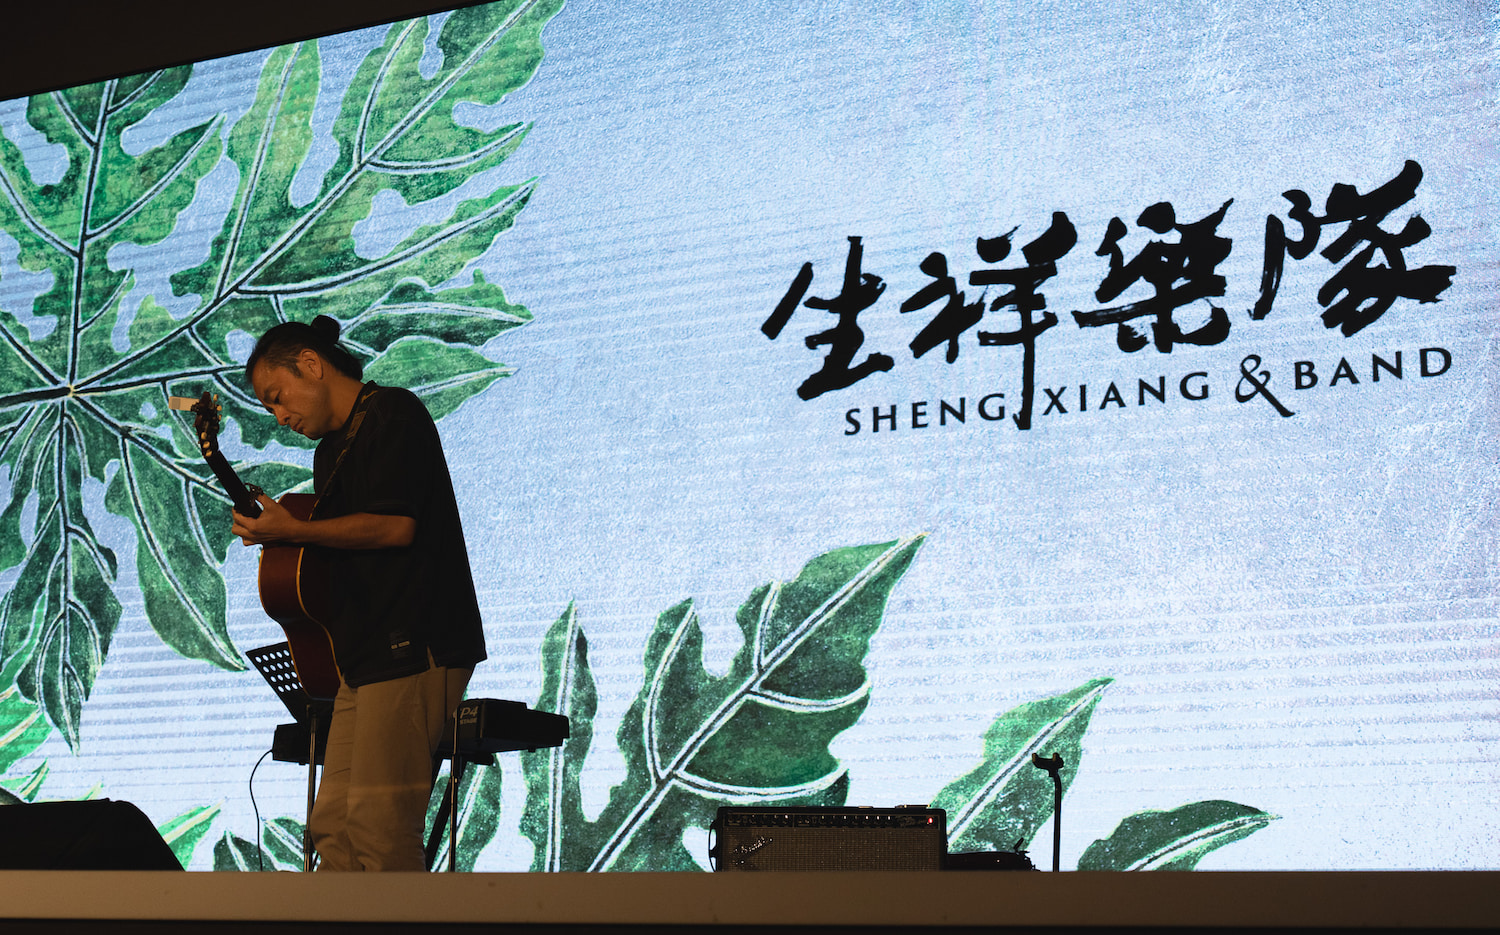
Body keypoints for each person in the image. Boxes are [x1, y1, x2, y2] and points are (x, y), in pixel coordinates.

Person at [231, 315, 487, 871]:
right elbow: (342, 548)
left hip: (415, 644)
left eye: (277, 397)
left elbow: (395, 528)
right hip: (365, 656)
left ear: (310, 364)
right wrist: (285, 538)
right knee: (335, 831)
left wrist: (295, 531)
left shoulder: (392, 412)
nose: (279, 417)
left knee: (379, 828)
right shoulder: (331, 451)